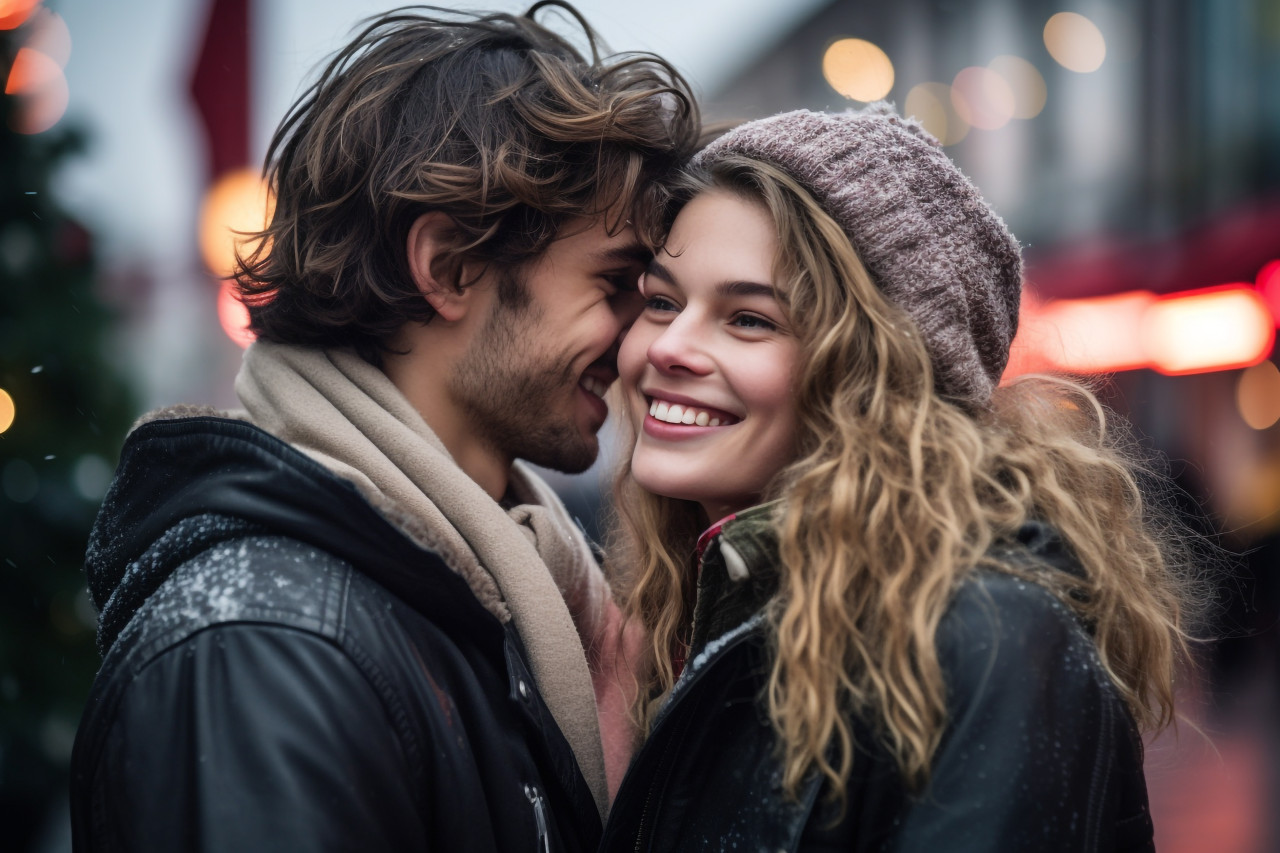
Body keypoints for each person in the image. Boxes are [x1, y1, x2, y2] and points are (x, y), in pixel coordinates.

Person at [69, 5, 698, 851]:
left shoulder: (496, 586)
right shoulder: (262, 652)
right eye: (615, 282)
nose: (639, 341)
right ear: (447, 266)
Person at [601, 105, 1202, 852]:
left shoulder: (986, 639)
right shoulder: (689, 609)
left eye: (749, 319)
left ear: (878, 375)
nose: (668, 348)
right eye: (662, 302)